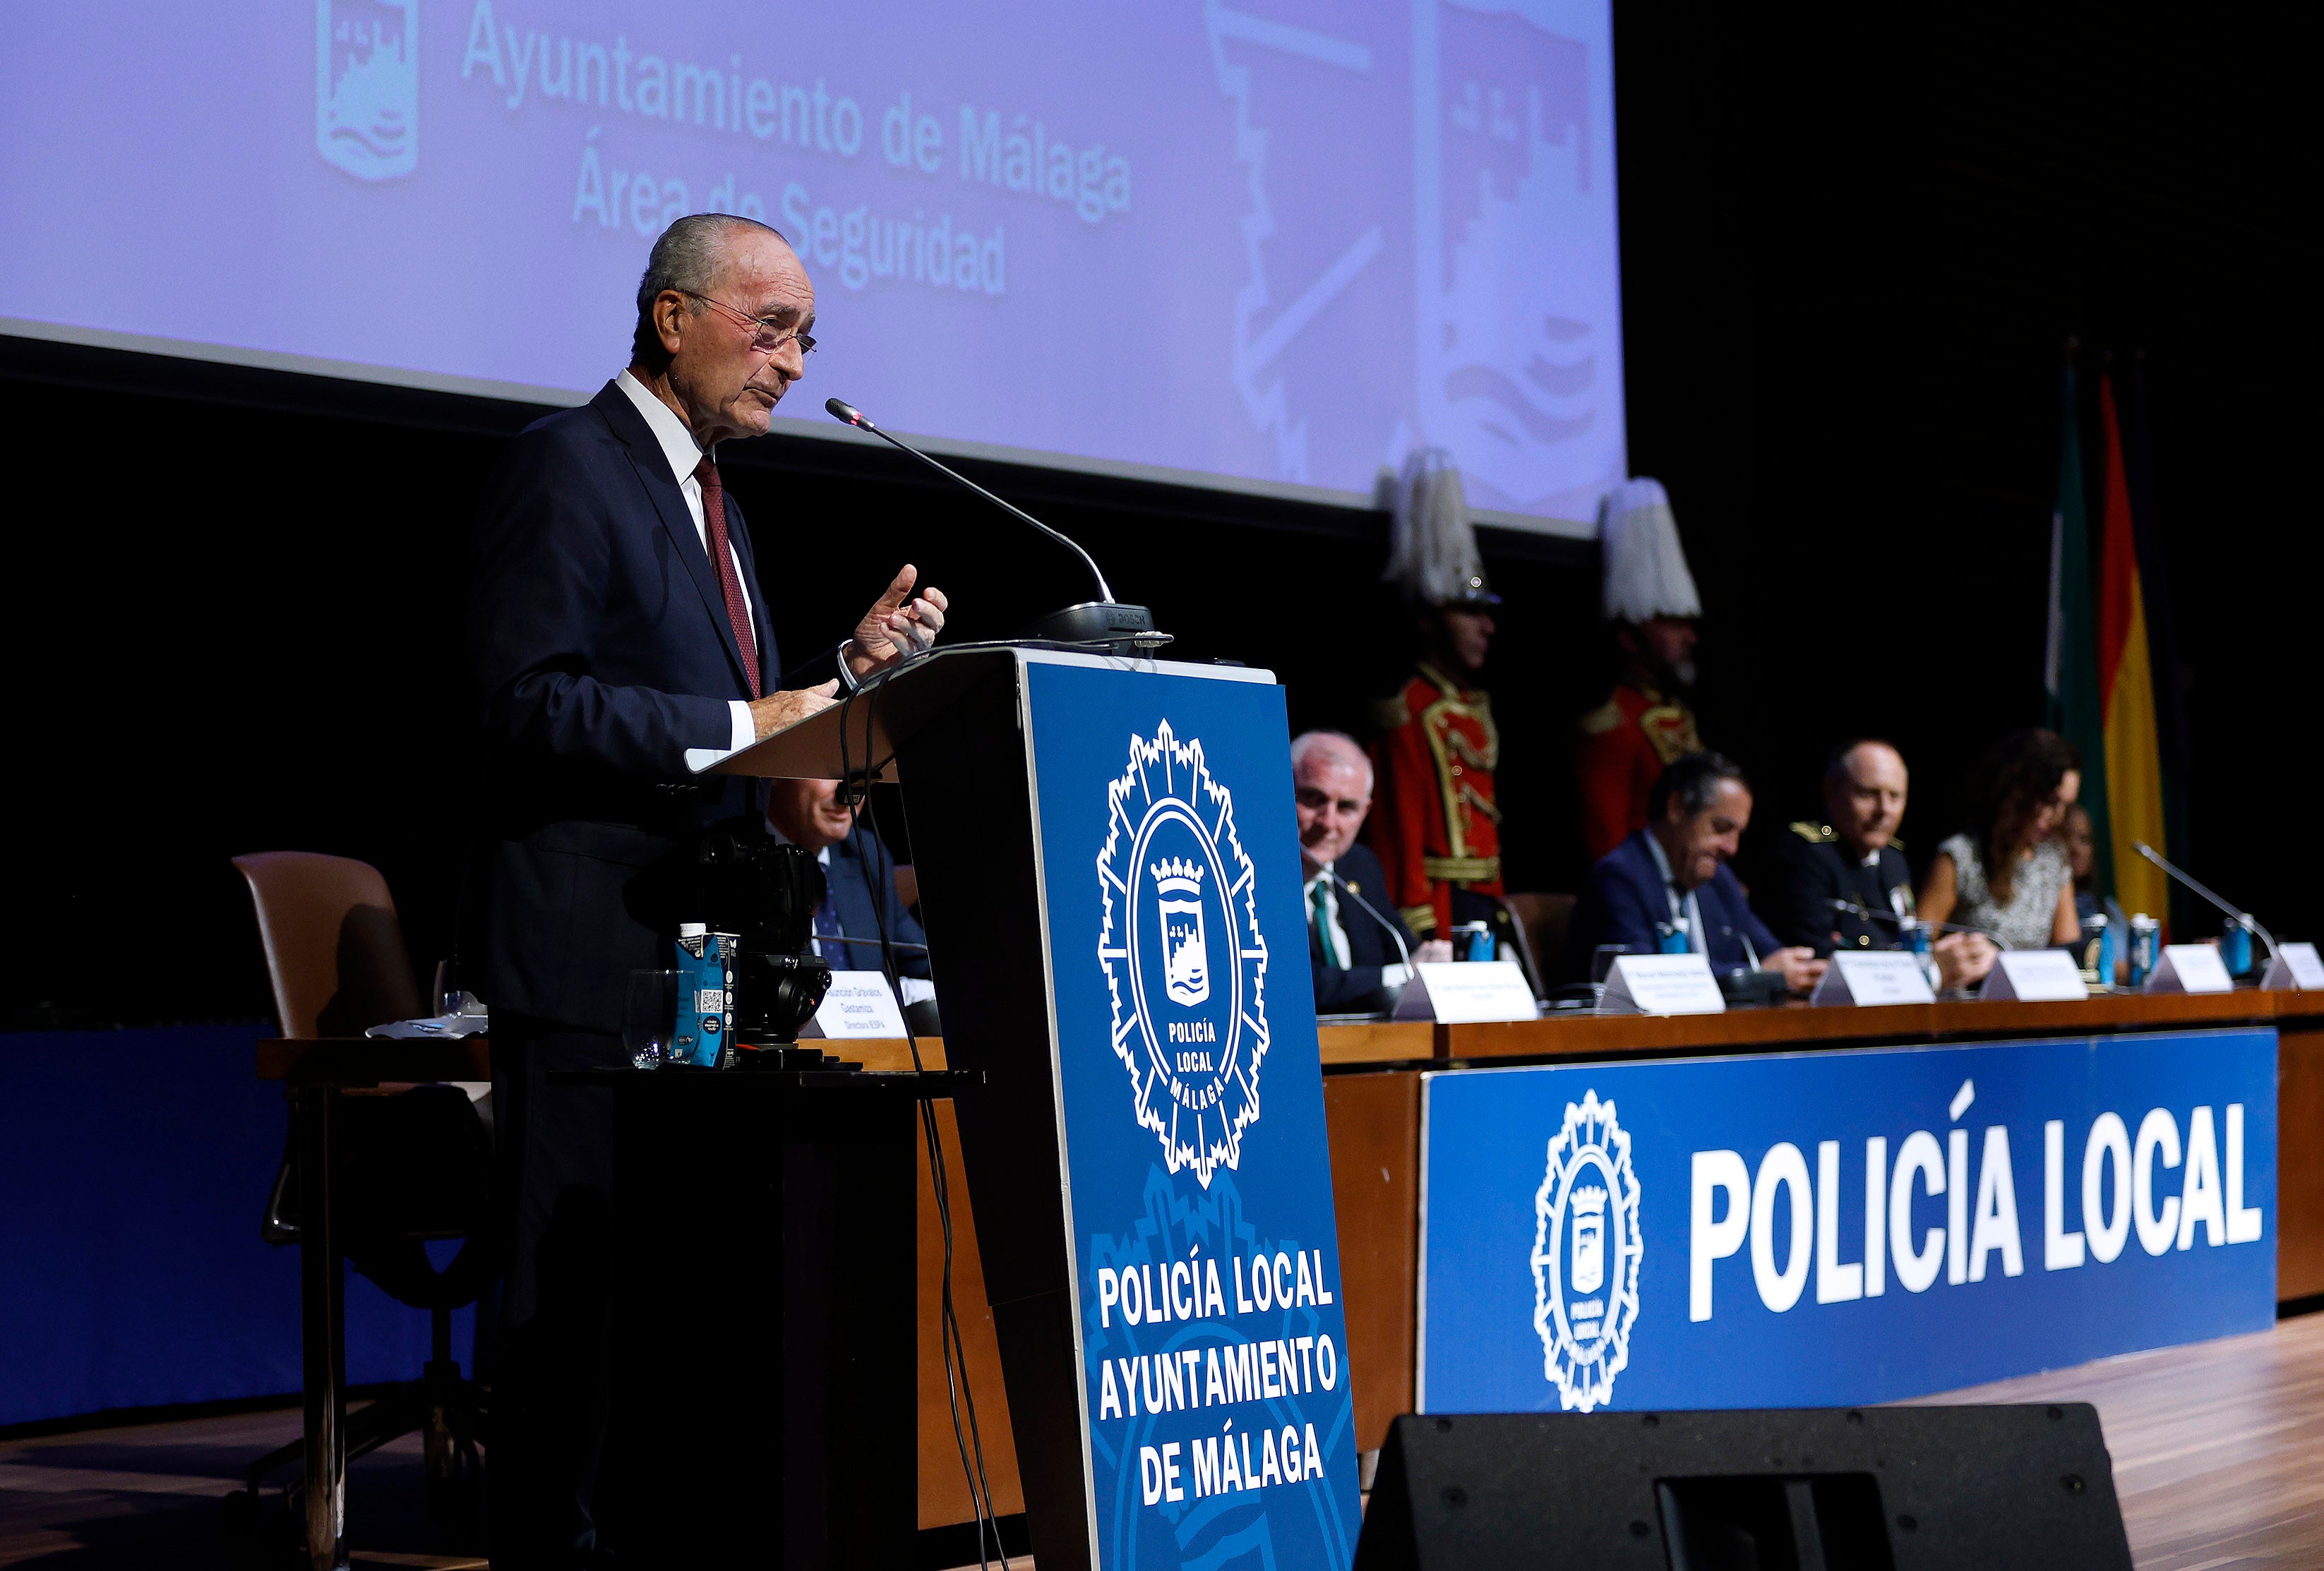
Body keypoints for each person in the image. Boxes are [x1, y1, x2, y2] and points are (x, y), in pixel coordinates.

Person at [465, 212, 948, 1567]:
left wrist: (836, 702)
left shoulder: (718, 506)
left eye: (807, 337)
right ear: (674, 318)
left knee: (668, 1313)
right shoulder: (566, 468)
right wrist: (751, 730)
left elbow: (746, 732)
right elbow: (527, 700)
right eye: (772, 325)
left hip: (697, 967)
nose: (794, 362)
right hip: (583, 960)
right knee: (570, 1321)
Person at [1367, 450, 1519, 963]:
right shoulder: (1407, 708)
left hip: (1481, 899)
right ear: (1431, 619)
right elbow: (1399, 832)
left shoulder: (1471, 705)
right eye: (1468, 613)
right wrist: (1417, 921)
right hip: (1436, 905)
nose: (1487, 627)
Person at [1570, 750, 1826, 994]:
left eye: (1739, 834)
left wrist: (1804, 969)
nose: (1732, 848)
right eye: (1721, 828)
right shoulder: (1618, 878)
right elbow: (1646, 982)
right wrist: (1760, 975)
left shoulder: (1719, 879)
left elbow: (1771, 954)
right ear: (1677, 808)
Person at [1771, 740, 1997, 989]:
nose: (1884, 810)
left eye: (1895, 796)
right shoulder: (1808, 854)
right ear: (1831, 791)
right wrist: (1930, 972)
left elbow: (1902, 937)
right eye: (1869, 794)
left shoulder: (1893, 859)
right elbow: (1819, 965)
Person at [1577, 478, 1708, 861]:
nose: (1689, 637)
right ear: (1631, 638)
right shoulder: (1612, 725)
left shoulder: (1678, 716)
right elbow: (1607, 844)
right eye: (1671, 623)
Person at [1292, 731, 1451, 1013]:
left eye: (1347, 807)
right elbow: (1297, 984)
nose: (1329, 823)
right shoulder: (1252, 875)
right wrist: (1402, 974)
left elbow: (1402, 949)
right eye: (1313, 800)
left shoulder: (1360, 865)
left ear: (1365, 812)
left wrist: (1436, 961)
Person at [764, 777, 935, 1007]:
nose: (847, 794)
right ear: (775, 774)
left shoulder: (865, 854)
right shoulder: (727, 862)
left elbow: (923, 959)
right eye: (828, 771)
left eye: (853, 772)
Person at [1919, 728, 2083, 953]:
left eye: (2066, 805)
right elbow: (1918, 946)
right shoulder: (1961, 856)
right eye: (2050, 801)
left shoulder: (2053, 859)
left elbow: (2068, 949)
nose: (2058, 818)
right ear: (2018, 793)